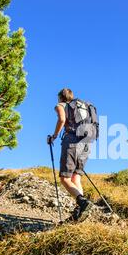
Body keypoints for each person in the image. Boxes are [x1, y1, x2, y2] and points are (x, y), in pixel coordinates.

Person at [47, 88, 94, 222]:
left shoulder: (61, 105)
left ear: (60, 97)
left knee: (65, 178)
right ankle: (79, 211)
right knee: (76, 178)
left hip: (72, 141)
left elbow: (62, 119)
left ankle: (83, 203)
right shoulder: (83, 106)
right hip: (87, 142)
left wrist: (54, 136)